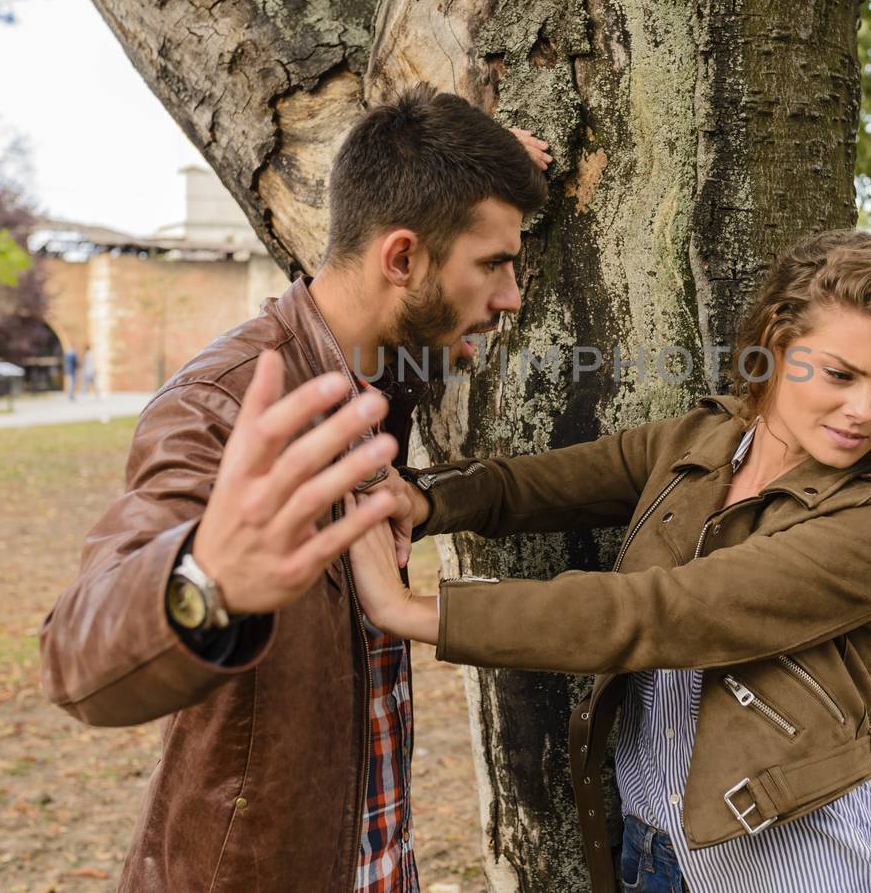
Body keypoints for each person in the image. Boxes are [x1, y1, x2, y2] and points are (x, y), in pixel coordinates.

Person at [350, 229, 871, 893]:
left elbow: (665, 614)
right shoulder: (705, 441)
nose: (863, 410)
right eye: (841, 375)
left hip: (790, 860)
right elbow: (535, 484)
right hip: (653, 845)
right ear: (779, 347)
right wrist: (422, 501)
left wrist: (418, 611)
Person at [37, 86, 550, 893]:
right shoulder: (224, 402)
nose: (512, 297)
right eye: (493, 265)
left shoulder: (382, 361)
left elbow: (384, 251)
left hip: (377, 858)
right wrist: (204, 582)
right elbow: (74, 661)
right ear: (403, 259)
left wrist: (484, 153)